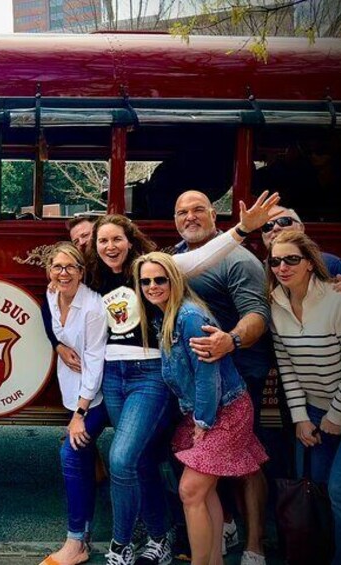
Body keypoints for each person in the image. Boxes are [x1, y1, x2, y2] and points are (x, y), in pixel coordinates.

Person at [86, 191, 278, 565]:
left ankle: (126, 543)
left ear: (132, 241)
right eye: (102, 240)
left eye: (117, 238)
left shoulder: (177, 286)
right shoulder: (124, 273)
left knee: (144, 464)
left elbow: (210, 261)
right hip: (155, 384)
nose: (153, 286)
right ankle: (188, 540)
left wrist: (241, 229)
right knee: (164, 467)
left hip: (215, 383)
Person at [134, 252, 268, 565]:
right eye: (145, 281)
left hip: (224, 411)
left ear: (174, 280)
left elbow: (208, 374)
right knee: (205, 493)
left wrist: (203, 421)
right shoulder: (164, 316)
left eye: (159, 279)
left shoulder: (189, 316)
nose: (152, 286)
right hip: (205, 411)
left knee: (191, 491)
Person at [171, 191, 271, 565]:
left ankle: (255, 545)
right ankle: (223, 525)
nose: (190, 217)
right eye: (182, 212)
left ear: (215, 215)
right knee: (205, 457)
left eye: (199, 210)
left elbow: (257, 314)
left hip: (240, 372)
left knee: (245, 460)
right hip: (197, 378)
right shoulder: (176, 255)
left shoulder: (239, 258)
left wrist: (231, 340)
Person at [267, 231, 341, 565]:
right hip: (316, 411)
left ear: (309, 263)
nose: (282, 267)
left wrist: (336, 415)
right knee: (315, 490)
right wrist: (302, 417)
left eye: (291, 259)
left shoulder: (339, 299)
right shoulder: (275, 303)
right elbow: (286, 367)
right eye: (275, 261)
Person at [39, 242, 108, 565]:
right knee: (83, 458)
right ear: (49, 272)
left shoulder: (93, 309)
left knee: (72, 451)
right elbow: (48, 313)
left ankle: (76, 543)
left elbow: (95, 363)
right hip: (74, 391)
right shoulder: (53, 296)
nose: (63, 273)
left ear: (82, 271)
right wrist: (57, 346)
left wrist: (80, 413)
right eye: (57, 267)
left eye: (70, 267)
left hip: (99, 395)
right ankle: (86, 534)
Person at [261, 205, 341, 280]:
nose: (276, 228)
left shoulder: (331, 264)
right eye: (267, 226)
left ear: (301, 228)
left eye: (284, 221)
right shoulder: (257, 269)